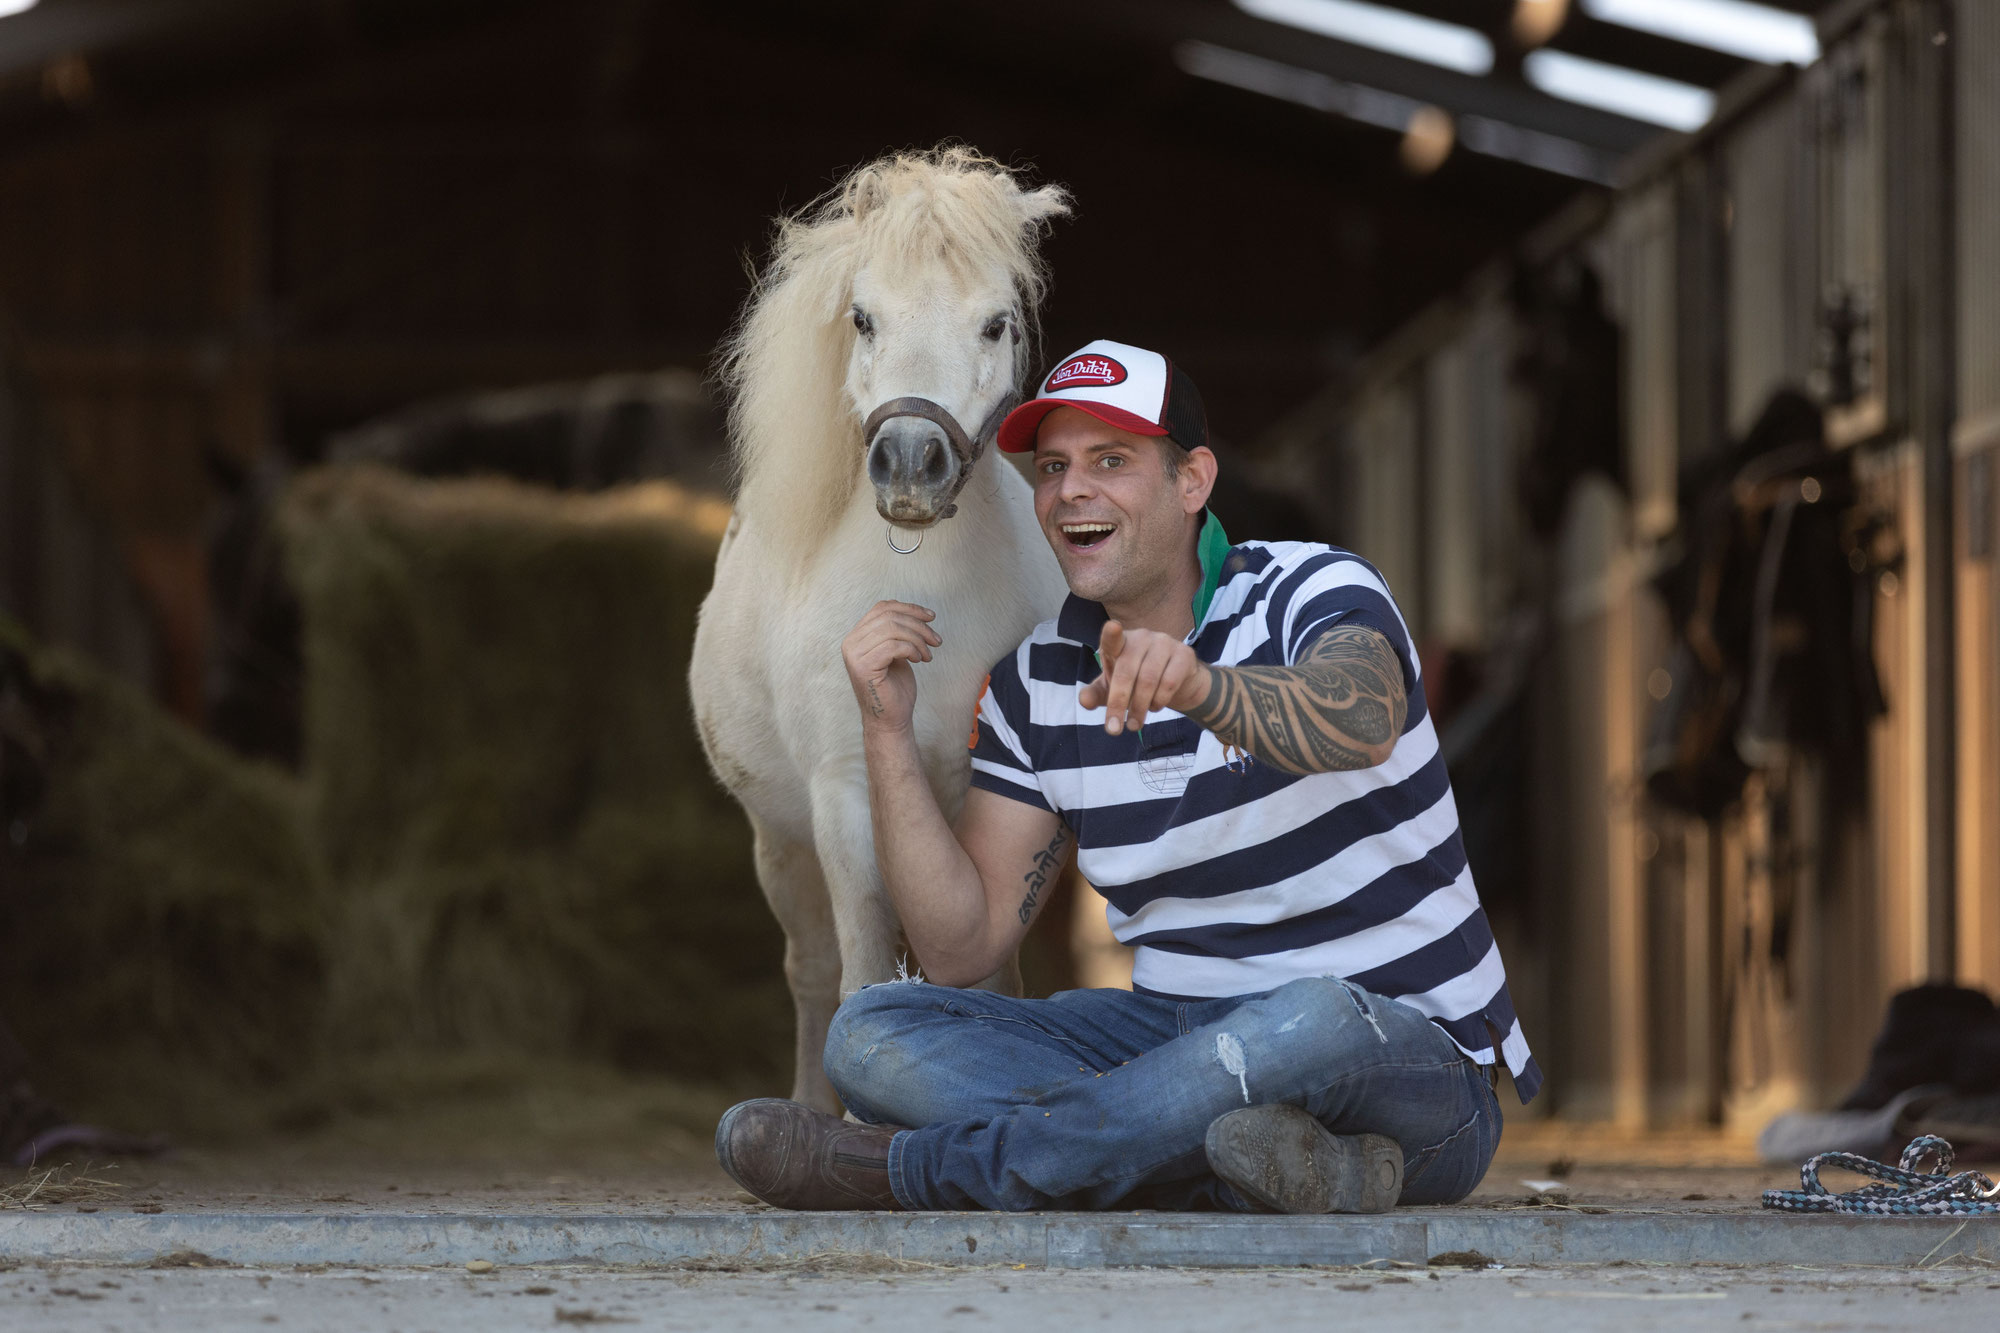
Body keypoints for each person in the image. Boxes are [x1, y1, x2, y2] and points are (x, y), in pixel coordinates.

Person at [715, 340, 1540, 1213]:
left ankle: (914, 1172)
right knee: (872, 1033)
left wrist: (1202, 686)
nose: (1072, 489)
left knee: (1310, 1019)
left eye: (1112, 461)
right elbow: (962, 946)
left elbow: (1364, 717)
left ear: (1193, 482)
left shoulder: (1313, 585)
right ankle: (1271, 1169)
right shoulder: (1035, 683)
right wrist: (883, 728)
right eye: (1054, 466)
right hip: (1172, 1032)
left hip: (1401, 1050)